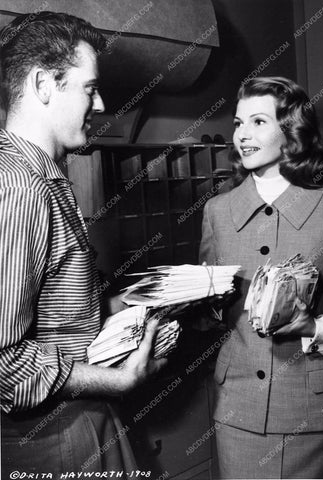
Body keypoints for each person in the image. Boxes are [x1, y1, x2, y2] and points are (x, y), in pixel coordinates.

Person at [0, 11, 166, 476]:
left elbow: (45, 307)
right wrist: (119, 380)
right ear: (43, 84)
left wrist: (118, 305)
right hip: (53, 432)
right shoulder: (22, 189)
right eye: (90, 88)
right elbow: (5, 364)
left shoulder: (36, 175)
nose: (99, 105)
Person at [199, 76, 323, 479]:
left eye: (258, 122)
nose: (243, 135)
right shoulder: (217, 211)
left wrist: (317, 325)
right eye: (237, 122)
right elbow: (208, 313)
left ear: (292, 132)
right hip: (239, 411)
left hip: (317, 413)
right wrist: (195, 303)